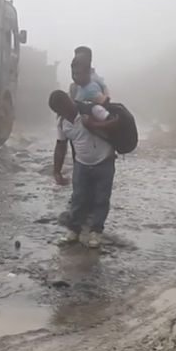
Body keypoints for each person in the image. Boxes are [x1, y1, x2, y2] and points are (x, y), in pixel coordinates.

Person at [49, 89, 119, 249]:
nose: (65, 112)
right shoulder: (63, 123)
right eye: (60, 111)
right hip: (81, 164)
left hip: (104, 161)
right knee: (78, 197)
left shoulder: (92, 109)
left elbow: (115, 123)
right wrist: (57, 171)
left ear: (69, 100)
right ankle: (74, 230)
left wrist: (93, 124)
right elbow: (61, 146)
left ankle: (96, 232)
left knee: (101, 199)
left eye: (65, 107)